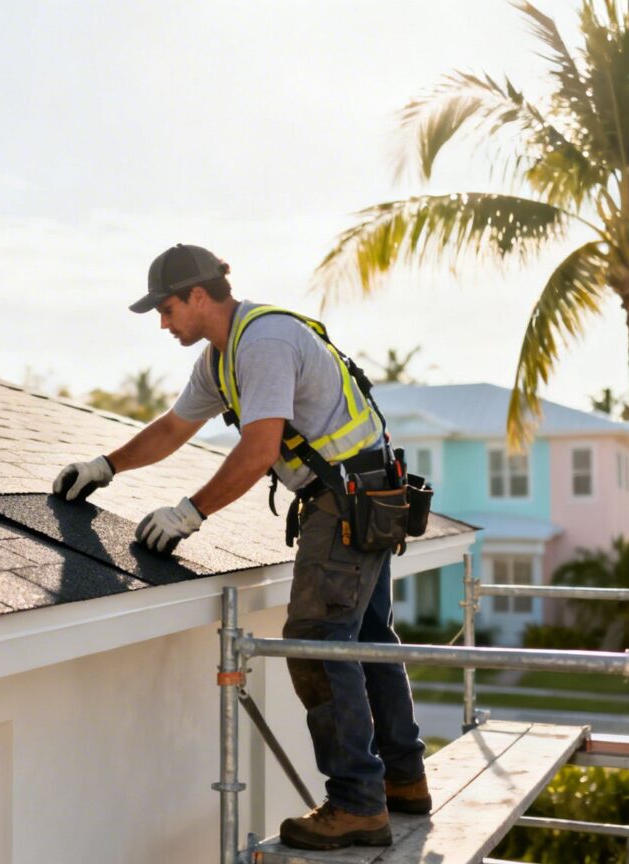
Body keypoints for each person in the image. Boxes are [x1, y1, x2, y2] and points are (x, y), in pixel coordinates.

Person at [52, 244, 428, 851]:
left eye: (167, 309)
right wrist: (106, 466)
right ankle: (404, 781)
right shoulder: (220, 359)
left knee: (316, 642)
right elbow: (174, 427)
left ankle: (358, 804)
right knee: (366, 639)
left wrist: (189, 514)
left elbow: (258, 451)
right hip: (364, 493)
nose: (163, 323)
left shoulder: (264, 343)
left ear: (199, 296)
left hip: (347, 501)